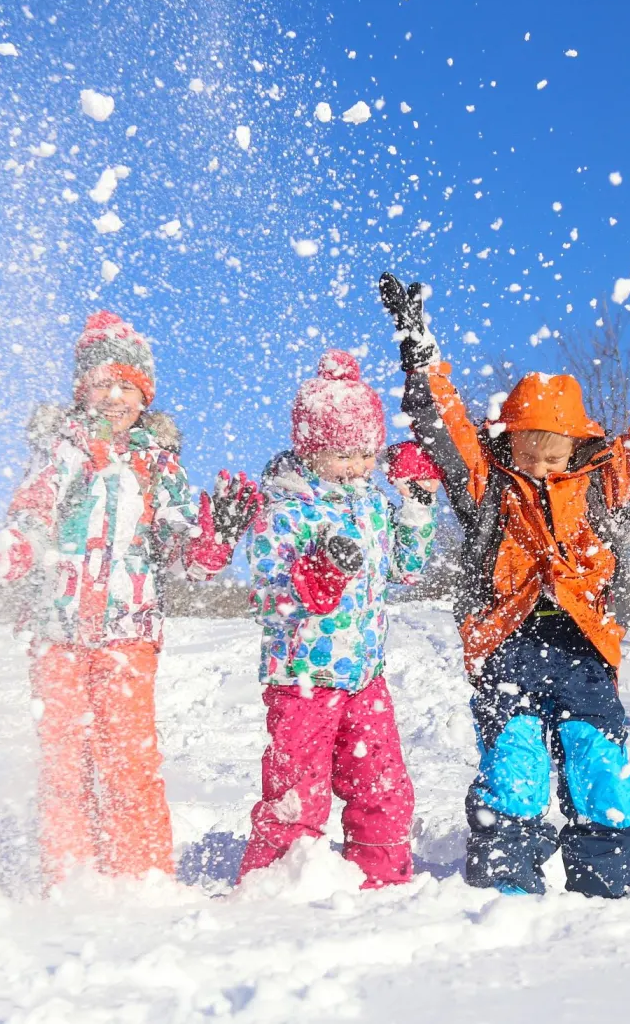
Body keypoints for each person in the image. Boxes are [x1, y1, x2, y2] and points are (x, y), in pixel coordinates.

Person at [379, 274, 630, 897]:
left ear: (579, 449)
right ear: (510, 444)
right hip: (508, 646)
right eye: (529, 453)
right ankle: (505, 889)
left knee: (601, 771)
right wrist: (420, 353)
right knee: (516, 768)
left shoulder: (603, 485)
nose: (541, 467)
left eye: (554, 457)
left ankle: (606, 889)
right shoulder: (490, 486)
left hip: (584, 650)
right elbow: (446, 424)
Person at [0, 310, 261, 884]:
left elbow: (188, 560)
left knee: (127, 760)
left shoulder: (160, 467)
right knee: (64, 760)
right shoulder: (60, 453)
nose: (115, 397)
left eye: (127, 386)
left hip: (128, 634)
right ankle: (69, 877)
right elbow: (31, 516)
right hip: (57, 631)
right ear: (81, 390)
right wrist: (14, 549)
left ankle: (140, 877)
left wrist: (218, 539)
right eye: (102, 384)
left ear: (145, 395)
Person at [236, 350, 440, 888]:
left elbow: (407, 568)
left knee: (381, 781)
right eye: (342, 454)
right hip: (303, 676)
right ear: (311, 449)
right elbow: (269, 589)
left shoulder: (371, 504)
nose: (356, 467)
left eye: (365, 455)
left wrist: (416, 507)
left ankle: (382, 877)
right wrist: (315, 576)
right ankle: (279, 883)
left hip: (364, 676)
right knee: (297, 789)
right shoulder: (283, 508)